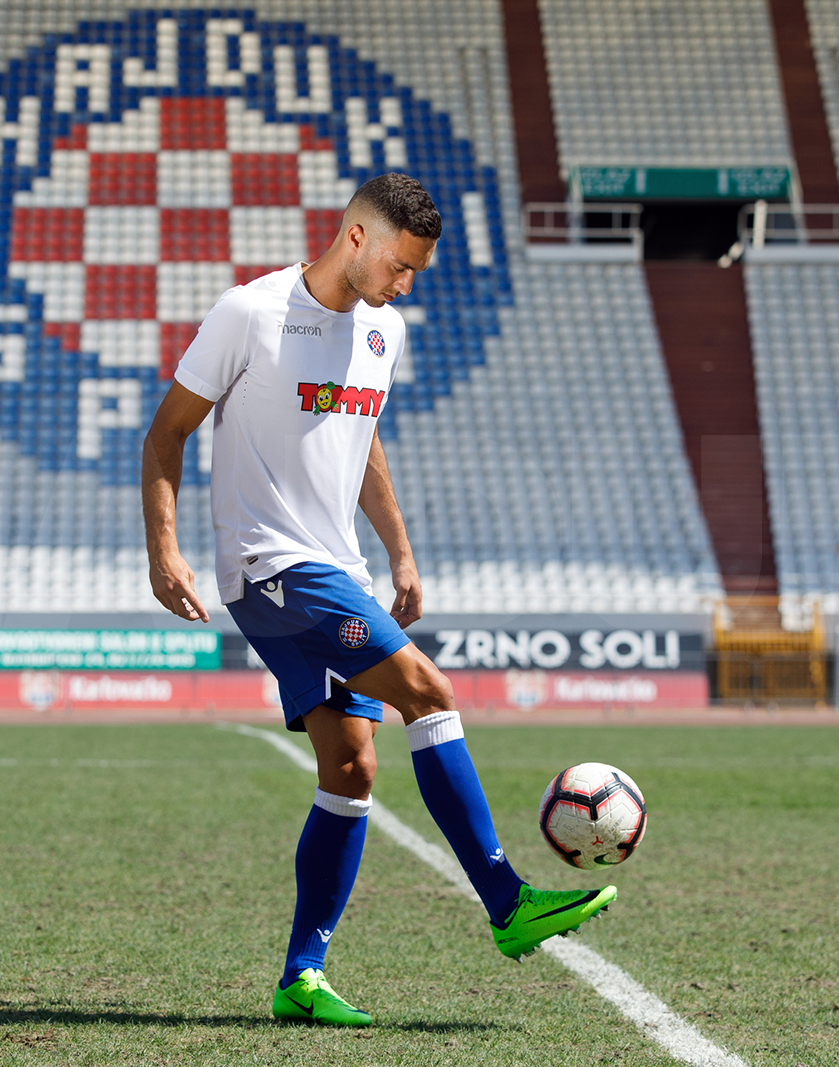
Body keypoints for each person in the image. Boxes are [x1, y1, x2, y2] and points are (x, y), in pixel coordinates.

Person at [141, 173, 615, 1027]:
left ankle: (301, 976)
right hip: (271, 566)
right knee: (429, 693)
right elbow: (166, 432)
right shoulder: (249, 313)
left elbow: (361, 444)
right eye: (401, 266)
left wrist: (399, 549)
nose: (406, 286)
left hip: (338, 568)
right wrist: (163, 548)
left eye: (417, 273)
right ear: (356, 237)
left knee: (352, 771)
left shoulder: (383, 331)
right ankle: (508, 903)